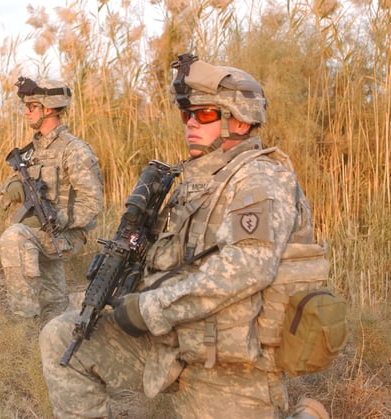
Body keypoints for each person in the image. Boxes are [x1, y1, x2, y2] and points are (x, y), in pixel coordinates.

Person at [39, 54, 326, 418]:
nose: (191, 123)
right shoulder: (197, 181)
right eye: (186, 114)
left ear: (239, 121)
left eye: (204, 114)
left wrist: (151, 308)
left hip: (229, 367)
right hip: (177, 341)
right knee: (64, 339)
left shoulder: (260, 182)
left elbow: (248, 268)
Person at [0, 76, 104, 327]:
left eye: (31, 107)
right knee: (54, 308)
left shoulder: (75, 150)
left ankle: (22, 324)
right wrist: (10, 190)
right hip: (39, 234)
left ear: (49, 109)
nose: (25, 112)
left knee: (14, 238)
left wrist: (59, 219)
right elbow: (3, 196)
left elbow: (92, 204)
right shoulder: (30, 152)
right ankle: (53, 325)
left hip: (64, 235)